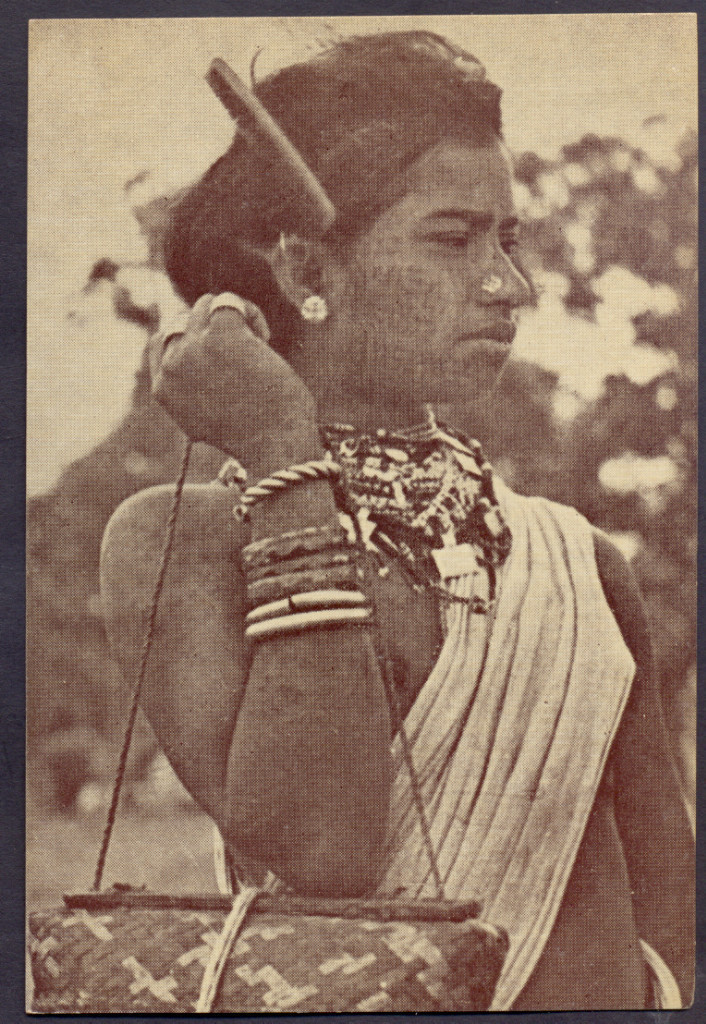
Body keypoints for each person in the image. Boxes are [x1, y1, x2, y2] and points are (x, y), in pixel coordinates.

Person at [100, 31, 694, 1011]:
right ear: (302, 268)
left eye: (510, 239)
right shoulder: (181, 542)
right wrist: (285, 454)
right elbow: (321, 848)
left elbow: (669, 886)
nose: (510, 285)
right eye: (452, 238)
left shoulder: (577, 561)